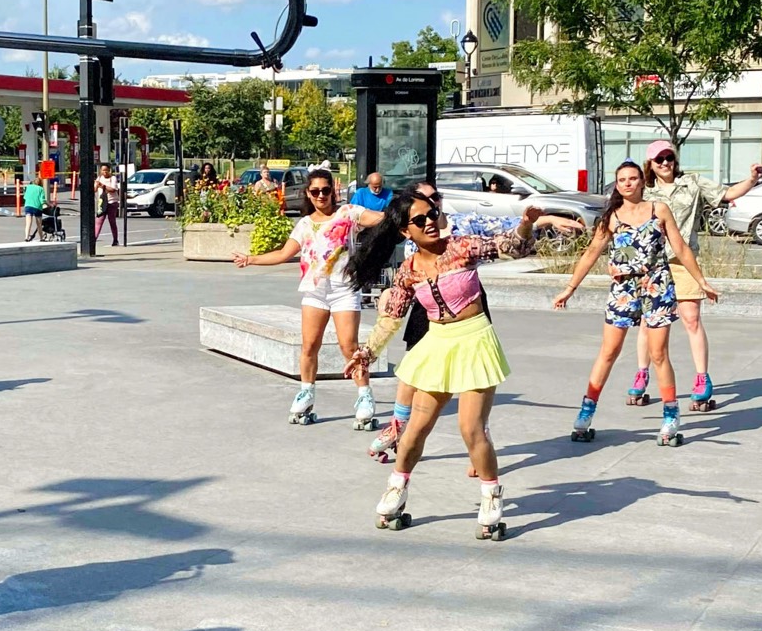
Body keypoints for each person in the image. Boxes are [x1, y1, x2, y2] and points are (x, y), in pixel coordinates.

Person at [345, 195, 543, 537]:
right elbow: (391, 318)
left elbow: (511, 247)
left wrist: (526, 225)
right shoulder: (408, 271)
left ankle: (491, 495)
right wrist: (366, 353)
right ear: (405, 231)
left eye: (432, 214)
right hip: (437, 344)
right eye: (419, 220)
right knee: (416, 428)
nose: (430, 223)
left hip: (475, 340)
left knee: (471, 428)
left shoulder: (461, 247)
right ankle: (396, 489)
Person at [552, 160, 719, 447]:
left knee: (658, 354)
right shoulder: (612, 217)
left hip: (656, 286)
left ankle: (670, 416)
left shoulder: (658, 210)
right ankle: (586, 413)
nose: (628, 183)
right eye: (622, 180)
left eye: (632, 178)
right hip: (623, 289)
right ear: (617, 185)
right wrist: (569, 289)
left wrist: (702, 281)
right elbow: (591, 253)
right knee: (608, 351)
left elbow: (680, 247)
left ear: (642, 181)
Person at [232, 167, 377, 427]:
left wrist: (406, 213)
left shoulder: (348, 213)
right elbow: (283, 254)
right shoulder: (304, 224)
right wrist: (250, 259)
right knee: (309, 345)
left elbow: (378, 218)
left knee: (349, 347)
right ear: (308, 194)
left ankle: (364, 395)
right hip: (315, 292)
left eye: (325, 190)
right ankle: (306, 391)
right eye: (315, 191)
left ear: (333, 191)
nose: (321, 195)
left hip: (343, 290)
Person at [638, 140, 759, 411]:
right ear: (650, 164)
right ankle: (642, 372)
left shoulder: (691, 183)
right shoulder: (644, 190)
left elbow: (727, 193)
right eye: (659, 159)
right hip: (652, 263)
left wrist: (751, 179)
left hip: (684, 260)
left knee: (691, 318)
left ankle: (702, 377)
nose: (665, 163)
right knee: (648, 322)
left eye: (669, 157)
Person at [365, 181, 440, 464]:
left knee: (473, 387)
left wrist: (534, 222)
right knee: (411, 370)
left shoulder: (458, 229)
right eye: (423, 201)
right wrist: (391, 292)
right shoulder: (413, 229)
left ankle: (480, 443)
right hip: (425, 308)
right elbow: (404, 281)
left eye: (434, 200)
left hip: (466, 318)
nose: (431, 207)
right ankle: (398, 426)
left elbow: (502, 235)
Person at [96, 163, 121, 246]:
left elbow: (113, 189)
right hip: (102, 202)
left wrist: (103, 186)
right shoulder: (99, 178)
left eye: (106, 170)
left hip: (112, 202)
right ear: (100, 171)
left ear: (109, 170)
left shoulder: (113, 178)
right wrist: (96, 185)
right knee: (99, 221)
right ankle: (94, 239)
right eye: (103, 170)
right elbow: (95, 189)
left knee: (112, 221)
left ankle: (115, 240)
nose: (105, 172)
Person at [22, 173, 47, 240]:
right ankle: (41, 238)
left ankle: (26, 237)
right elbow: (42, 200)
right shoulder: (41, 189)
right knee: (39, 224)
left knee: (28, 223)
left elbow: (25, 197)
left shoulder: (28, 187)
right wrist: (47, 204)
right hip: (37, 207)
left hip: (28, 206)